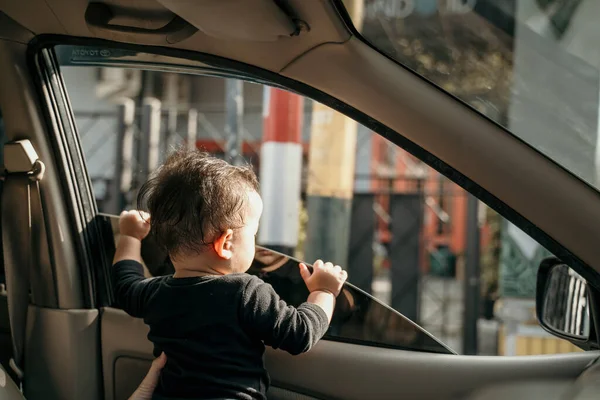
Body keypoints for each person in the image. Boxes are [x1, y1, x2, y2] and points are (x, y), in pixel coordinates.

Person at [112, 148, 348, 400]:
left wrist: (129, 237)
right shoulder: (246, 291)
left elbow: (125, 284)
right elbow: (300, 333)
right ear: (225, 243)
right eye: (253, 234)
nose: (256, 243)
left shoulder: (156, 293)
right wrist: (324, 291)